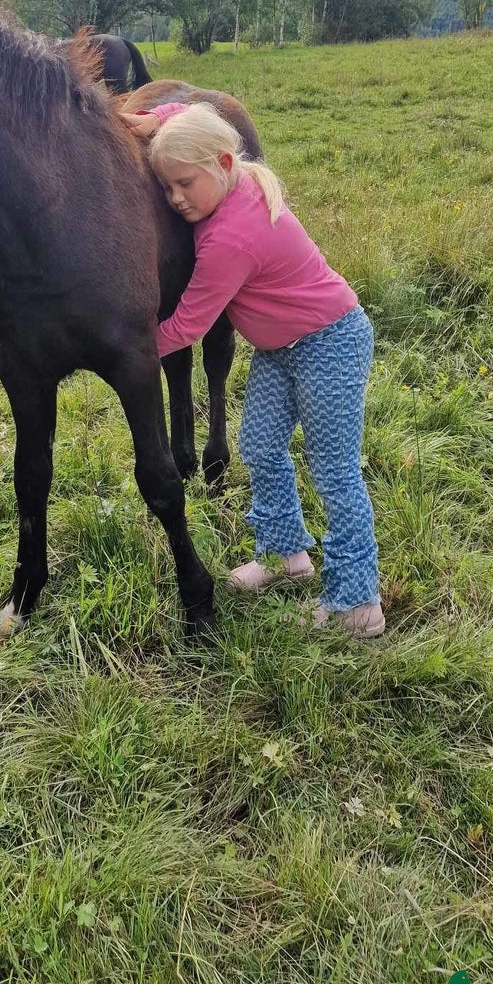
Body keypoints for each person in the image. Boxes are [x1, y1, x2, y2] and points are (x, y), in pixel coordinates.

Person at [120, 101, 384, 638]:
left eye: (184, 184)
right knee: (260, 444)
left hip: (329, 342)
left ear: (221, 161)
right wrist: (156, 119)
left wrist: (126, 345)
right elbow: (198, 110)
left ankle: (359, 604)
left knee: (335, 473)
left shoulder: (230, 239)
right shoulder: (230, 176)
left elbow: (188, 325)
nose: (174, 198)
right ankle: (286, 554)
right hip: (279, 349)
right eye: (166, 186)